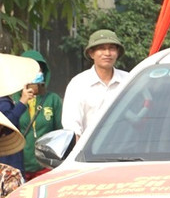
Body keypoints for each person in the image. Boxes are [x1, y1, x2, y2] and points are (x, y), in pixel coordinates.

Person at [62, 29, 130, 138]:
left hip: (126, 149)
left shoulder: (128, 80)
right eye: (102, 49)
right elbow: (72, 126)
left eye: (111, 48)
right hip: (91, 152)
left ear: (117, 52)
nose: (107, 53)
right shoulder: (78, 84)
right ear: (91, 53)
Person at [14, 50, 61, 179]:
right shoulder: (11, 99)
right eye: (30, 70)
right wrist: (22, 101)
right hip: (18, 168)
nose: (35, 73)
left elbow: (60, 132)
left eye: (38, 69)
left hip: (46, 168)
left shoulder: (53, 99)